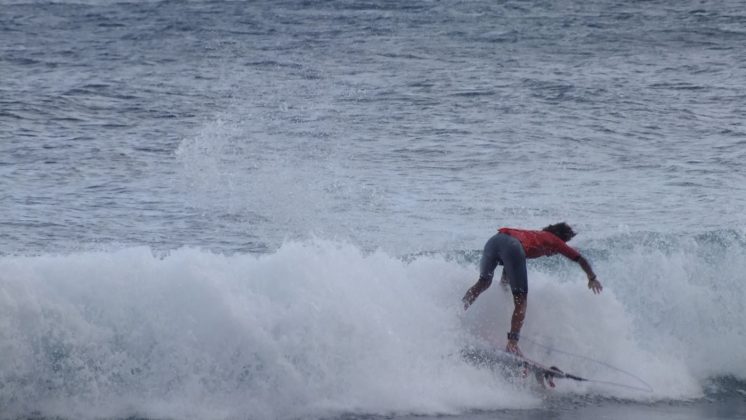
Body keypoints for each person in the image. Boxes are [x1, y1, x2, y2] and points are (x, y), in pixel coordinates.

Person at [462, 222, 602, 356]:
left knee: (483, 282)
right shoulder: (554, 240)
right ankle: (512, 344)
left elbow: (507, 269)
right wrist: (592, 277)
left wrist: (504, 289)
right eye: (564, 244)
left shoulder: (533, 236)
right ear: (562, 239)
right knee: (521, 300)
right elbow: (579, 259)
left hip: (494, 241)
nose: (556, 252)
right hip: (512, 246)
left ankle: (458, 311)